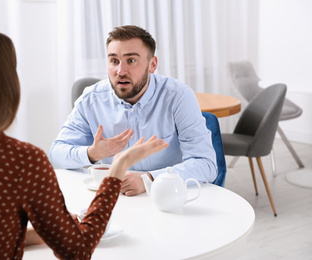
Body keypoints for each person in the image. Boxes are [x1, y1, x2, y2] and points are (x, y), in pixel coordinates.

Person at [0, 26, 168, 259]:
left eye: (130, 60)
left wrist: (38, 232)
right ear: (6, 86)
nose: (121, 70)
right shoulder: (21, 161)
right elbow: (77, 252)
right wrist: (118, 168)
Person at [49, 25, 217, 196]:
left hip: (166, 196)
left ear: (152, 65)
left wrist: (149, 179)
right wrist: (91, 153)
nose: (120, 71)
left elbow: (206, 164)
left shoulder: (178, 96)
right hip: (112, 200)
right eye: (114, 61)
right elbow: (56, 155)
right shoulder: (91, 99)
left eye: (131, 61)